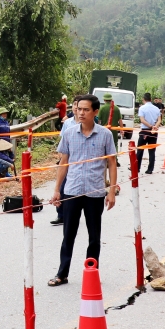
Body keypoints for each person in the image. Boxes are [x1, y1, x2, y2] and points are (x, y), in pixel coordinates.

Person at [48, 94, 117, 287]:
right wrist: (57, 190)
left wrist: (111, 191)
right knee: (68, 234)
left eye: (86, 110)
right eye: (79, 109)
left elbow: (112, 163)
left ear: (95, 112)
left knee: (94, 236)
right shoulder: (69, 133)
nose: (81, 113)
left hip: (95, 192)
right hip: (72, 191)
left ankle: (91, 271)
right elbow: (64, 162)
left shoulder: (105, 135)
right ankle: (62, 274)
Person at [51, 96, 82, 226]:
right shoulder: (67, 123)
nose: (76, 107)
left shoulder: (86, 122)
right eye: (75, 105)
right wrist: (60, 156)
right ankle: (61, 215)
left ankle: (75, 214)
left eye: (79, 106)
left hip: (79, 161)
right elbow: (62, 141)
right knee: (62, 187)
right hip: (66, 159)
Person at [135, 92, 162, 174]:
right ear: (151, 99)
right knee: (152, 151)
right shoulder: (157, 109)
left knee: (140, 150)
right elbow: (159, 120)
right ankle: (150, 169)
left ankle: (137, 168)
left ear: (143, 99)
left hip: (145, 131)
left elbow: (142, 120)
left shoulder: (142, 108)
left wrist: (150, 126)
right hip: (154, 132)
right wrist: (155, 127)